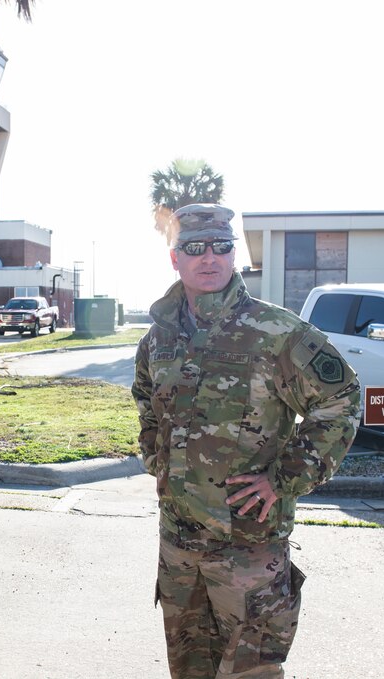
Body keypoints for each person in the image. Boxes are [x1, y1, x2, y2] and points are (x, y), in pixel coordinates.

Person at [132, 203, 361, 679]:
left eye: (221, 246)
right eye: (194, 248)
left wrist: (285, 477)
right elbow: (144, 399)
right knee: (189, 670)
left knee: (250, 674)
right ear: (175, 258)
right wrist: (155, 455)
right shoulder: (158, 338)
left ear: (235, 255)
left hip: (248, 549)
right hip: (178, 547)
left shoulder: (276, 333)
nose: (209, 258)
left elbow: (340, 397)